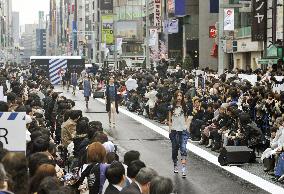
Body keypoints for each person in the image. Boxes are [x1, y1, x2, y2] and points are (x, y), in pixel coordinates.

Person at [168, 90, 190, 178]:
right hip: (174, 131)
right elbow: (170, 121)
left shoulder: (185, 107)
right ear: (175, 97)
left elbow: (186, 119)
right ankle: (175, 164)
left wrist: (187, 130)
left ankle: (183, 169)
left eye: (181, 95)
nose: (179, 97)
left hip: (183, 131)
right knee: (174, 150)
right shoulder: (171, 107)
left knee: (183, 149)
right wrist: (169, 132)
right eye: (178, 95)